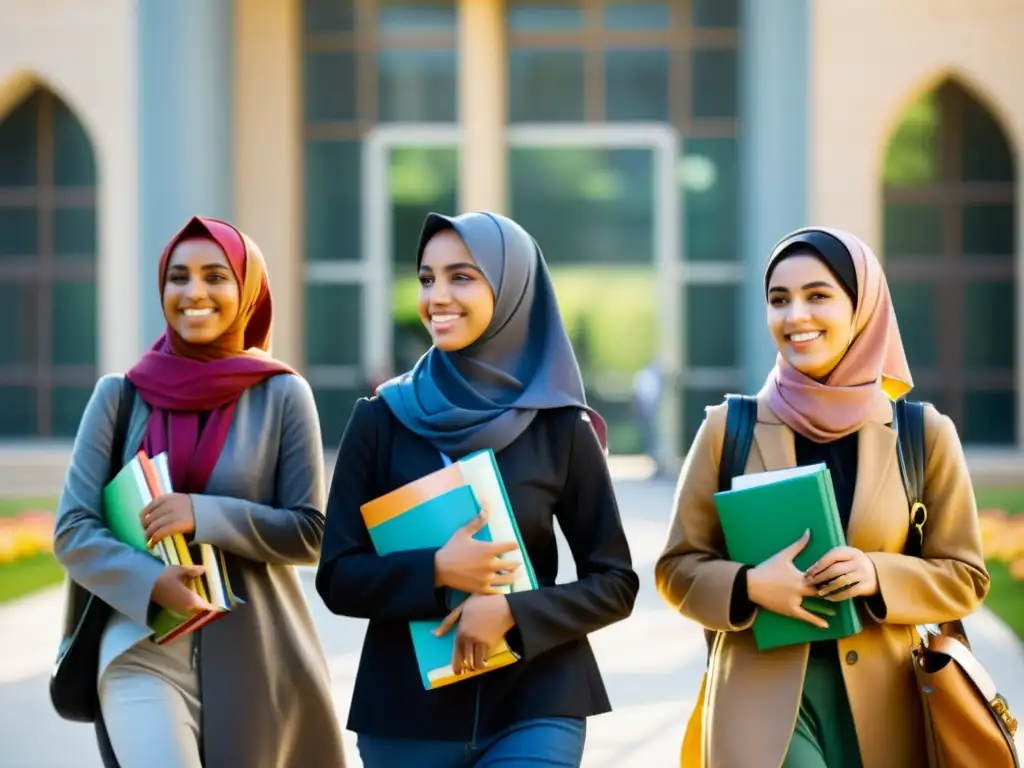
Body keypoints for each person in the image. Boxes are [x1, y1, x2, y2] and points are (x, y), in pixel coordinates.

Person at [655, 226, 990, 768]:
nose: (795, 317)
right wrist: (747, 585)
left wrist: (878, 574)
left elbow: (966, 576)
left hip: (890, 703)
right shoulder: (728, 428)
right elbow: (677, 568)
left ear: (862, 307)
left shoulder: (921, 434)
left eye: (818, 295)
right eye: (779, 300)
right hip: (759, 704)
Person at [316, 211, 639, 767]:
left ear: (512, 289)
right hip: (407, 716)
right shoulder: (381, 420)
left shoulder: (560, 427)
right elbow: (338, 577)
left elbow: (615, 583)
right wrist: (437, 570)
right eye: (426, 278)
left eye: (461, 277)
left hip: (536, 699)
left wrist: (515, 613)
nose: (437, 295)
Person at [53, 216, 346, 767]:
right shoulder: (118, 398)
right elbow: (73, 532)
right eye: (178, 277)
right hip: (140, 646)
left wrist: (201, 514)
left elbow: (311, 533)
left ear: (246, 289)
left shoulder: (283, 395)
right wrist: (150, 581)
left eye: (216, 276)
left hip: (255, 656)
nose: (194, 293)